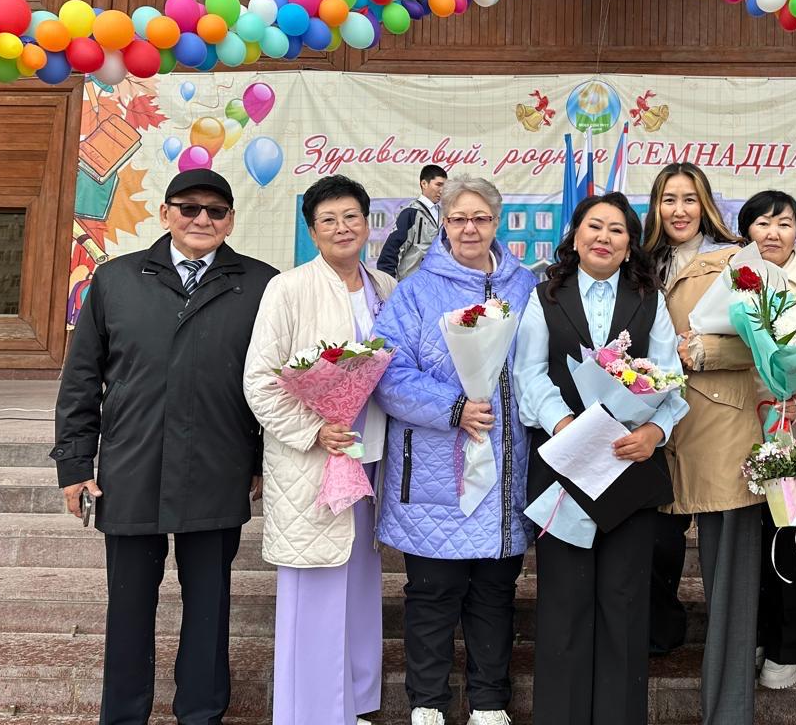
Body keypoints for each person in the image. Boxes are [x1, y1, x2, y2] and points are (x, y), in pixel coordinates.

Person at [51, 168, 277, 725]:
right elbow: (81, 379)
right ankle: (124, 716)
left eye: (215, 211)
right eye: (188, 207)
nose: (202, 219)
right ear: (165, 213)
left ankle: (201, 713)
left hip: (218, 465)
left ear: (231, 220)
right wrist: (75, 464)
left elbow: (272, 385)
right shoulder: (116, 279)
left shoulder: (261, 284)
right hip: (133, 466)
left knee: (209, 607)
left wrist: (258, 461)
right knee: (129, 607)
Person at [515, 192, 689, 725]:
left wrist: (655, 431)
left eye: (617, 229)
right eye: (594, 226)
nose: (604, 237)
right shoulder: (545, 296)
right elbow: (529, 372)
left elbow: (670, 376)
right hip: (564, 465)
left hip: (628, 463)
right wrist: (563, 424)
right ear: (575, 236)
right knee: (564, 602)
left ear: (630, 244)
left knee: (624, 600)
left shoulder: (648, 298)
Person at [372, 176, 537, 725]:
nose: (470, 228)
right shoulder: (416, 291)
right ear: (443, 223)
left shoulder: (525, 287)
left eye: (480, 218)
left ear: (497, 222)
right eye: (459, 218)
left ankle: (489, 701)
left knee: (495, 592)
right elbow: (387, 372)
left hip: (506, 467)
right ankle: (427, 702)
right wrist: (453, 407)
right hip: (434, 468)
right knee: (432, 593)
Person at [243, 176, 397, 725]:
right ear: (312, 231)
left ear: (367, 223)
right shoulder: (288, 289)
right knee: (316, 585)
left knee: (359, 584)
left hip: (370, 457)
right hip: (314, 463)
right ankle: (311, 713)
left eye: (351, 216)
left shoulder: (385, 286)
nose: (342, 228)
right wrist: (314, 430)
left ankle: (357, 703)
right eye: (328, 220)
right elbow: (260, 381)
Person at [645, 162, 761, 725]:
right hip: (652, 434)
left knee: (730, 588)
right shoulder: (639, 264)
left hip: (722, 430)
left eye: (689, 198)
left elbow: (772, 343)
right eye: (669, 199)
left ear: (706, 204)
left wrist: (703, 351)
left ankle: (729, 714)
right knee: (646, 564)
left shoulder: (739, 261)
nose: (679, 210)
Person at [736, 190, 796, 692]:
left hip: (788, 425)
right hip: (734, 424)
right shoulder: (732, 280)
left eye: (783, 224)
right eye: (761, 223)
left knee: (790, 536)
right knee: (746, 542)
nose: (772, 233)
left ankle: (788, 647)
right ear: (746, 231)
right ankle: (755, 634)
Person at [377, 164, 447, 279]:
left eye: (445, 186)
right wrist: (388, 283)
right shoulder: (411, 213)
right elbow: (391, 251)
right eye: (438, 185)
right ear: (424, 184)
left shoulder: (444, 214)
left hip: (435, 282)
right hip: (411, 282)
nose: (442, 190)